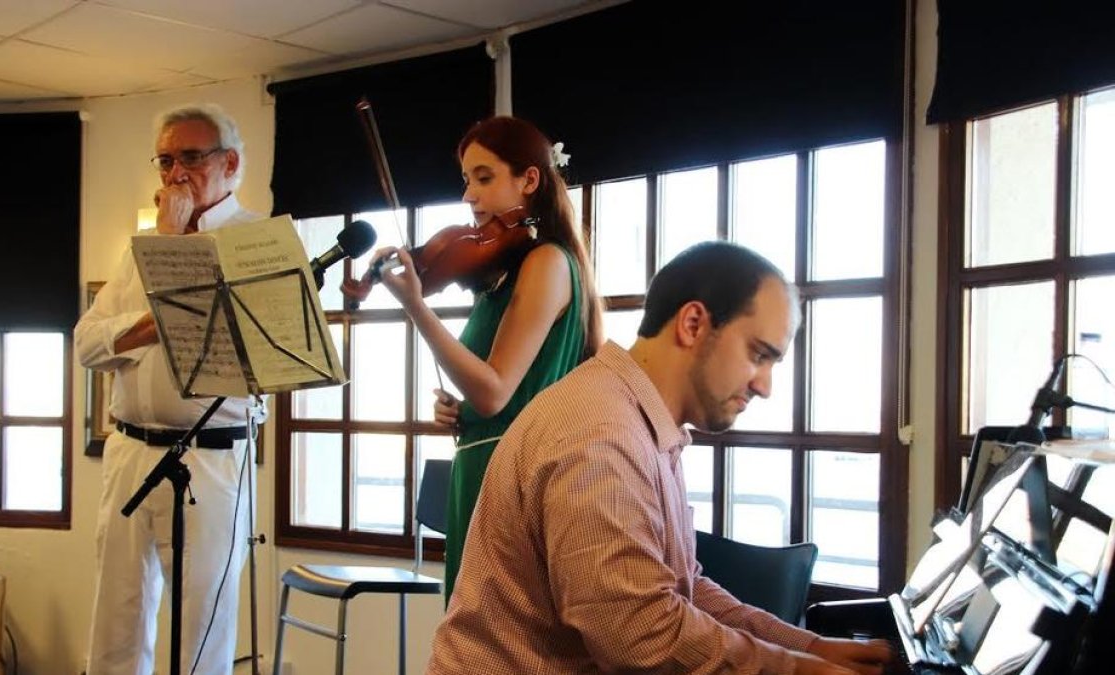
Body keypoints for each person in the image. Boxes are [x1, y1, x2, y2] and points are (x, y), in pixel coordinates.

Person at [428, 241, 895, 674]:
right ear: (693, 324)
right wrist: (796, 669)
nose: (765, 386)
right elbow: (639, 635)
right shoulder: (601, 433)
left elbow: (681, 585)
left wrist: (809, 647)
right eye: (759, 355)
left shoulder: (636, 416)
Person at [343, 116, 603, 600]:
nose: (468, 196)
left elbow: (494, 391)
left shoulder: (546, 261)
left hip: (514, 475)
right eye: (466, 180)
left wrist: (417, 306)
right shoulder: (501, 272)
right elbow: (488, 395)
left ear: (529, 179)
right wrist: (458, 410)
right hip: (482, 463)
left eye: (484, 178)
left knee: (496, 638)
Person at [76, 103, 262, 675]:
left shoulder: (256, 240)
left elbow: (246, 348)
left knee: (202, 624)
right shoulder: (140, 246)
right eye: (165, 160)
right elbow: (86, 344)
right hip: (130, 450)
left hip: (212, 456)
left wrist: (169, 253)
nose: (175, 173)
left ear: (229, 163)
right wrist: (146, 321)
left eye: (190, 157)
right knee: (116, 620)